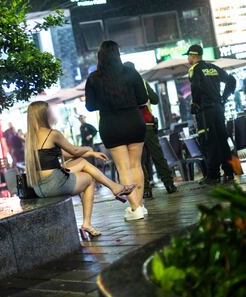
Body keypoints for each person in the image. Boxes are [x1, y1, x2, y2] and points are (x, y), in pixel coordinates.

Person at [24, 101, 136, 237]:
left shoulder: (29, 137)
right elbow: (74, 150)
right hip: (54, 183)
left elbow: (62, 154)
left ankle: (114, 187)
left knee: (82, 162)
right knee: (89, 180)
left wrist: (90, 153)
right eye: (50, 111)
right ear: (44, 114)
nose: (53, 113)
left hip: (39, 188)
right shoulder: (52, 133)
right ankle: (87, 223)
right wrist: (88, 148)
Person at [85, 41, 148, 221]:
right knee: (136, 165)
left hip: (111, 124)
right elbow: (143, 98)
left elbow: (90, 106)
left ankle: (135, 207)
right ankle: (140, 205)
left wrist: (106, 101)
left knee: (123, 167)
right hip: (134, 120)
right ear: (118, 54)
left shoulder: (94, 78)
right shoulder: (130, 73)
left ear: (100, 57)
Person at [124, 62, 177, 199]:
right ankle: (169, 184)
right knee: (157, 155)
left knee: (138, 160)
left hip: (131, 126)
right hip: (147, 124)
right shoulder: (141, 82)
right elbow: (154, 100)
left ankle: (146, 190)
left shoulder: (122, 85)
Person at [185, 44, 236, 185]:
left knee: (209, 141)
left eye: (188, 56)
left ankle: (213, 175)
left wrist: (195, 103)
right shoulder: (213, 68)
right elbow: (231, 80)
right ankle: (230, 171)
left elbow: (196, 87)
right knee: (222, 139)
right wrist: (224, 98)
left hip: (205, 111)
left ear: (193, 56)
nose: (188, 59)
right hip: (219, 109)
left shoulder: (194, 69)